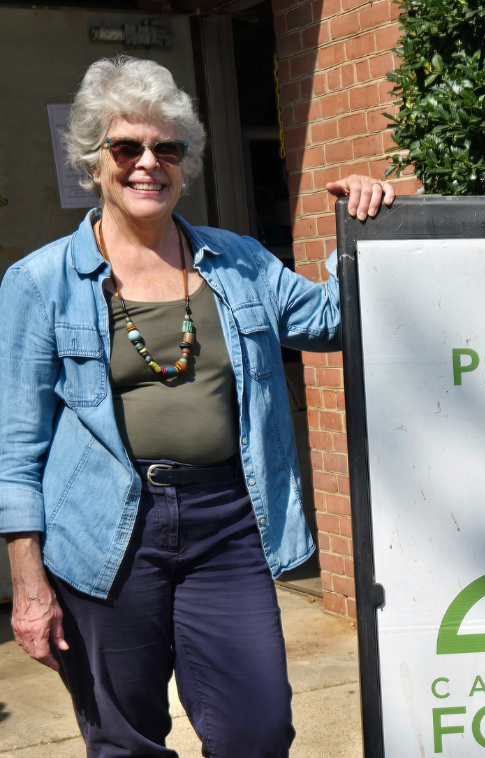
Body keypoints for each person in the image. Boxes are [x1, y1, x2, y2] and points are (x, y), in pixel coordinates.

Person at [0, 55, 397, 757]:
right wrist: (28, 588)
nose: (147, 163)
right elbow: (17, 445)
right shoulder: (39, 282)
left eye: (166, 148)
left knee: (257, 729)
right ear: (94, 162)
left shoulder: (239, 262)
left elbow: (338, 320)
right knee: (124, 741)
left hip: (227, 524)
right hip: (103, 535)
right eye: (127, 147)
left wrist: (360, 230)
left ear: (185, 163)